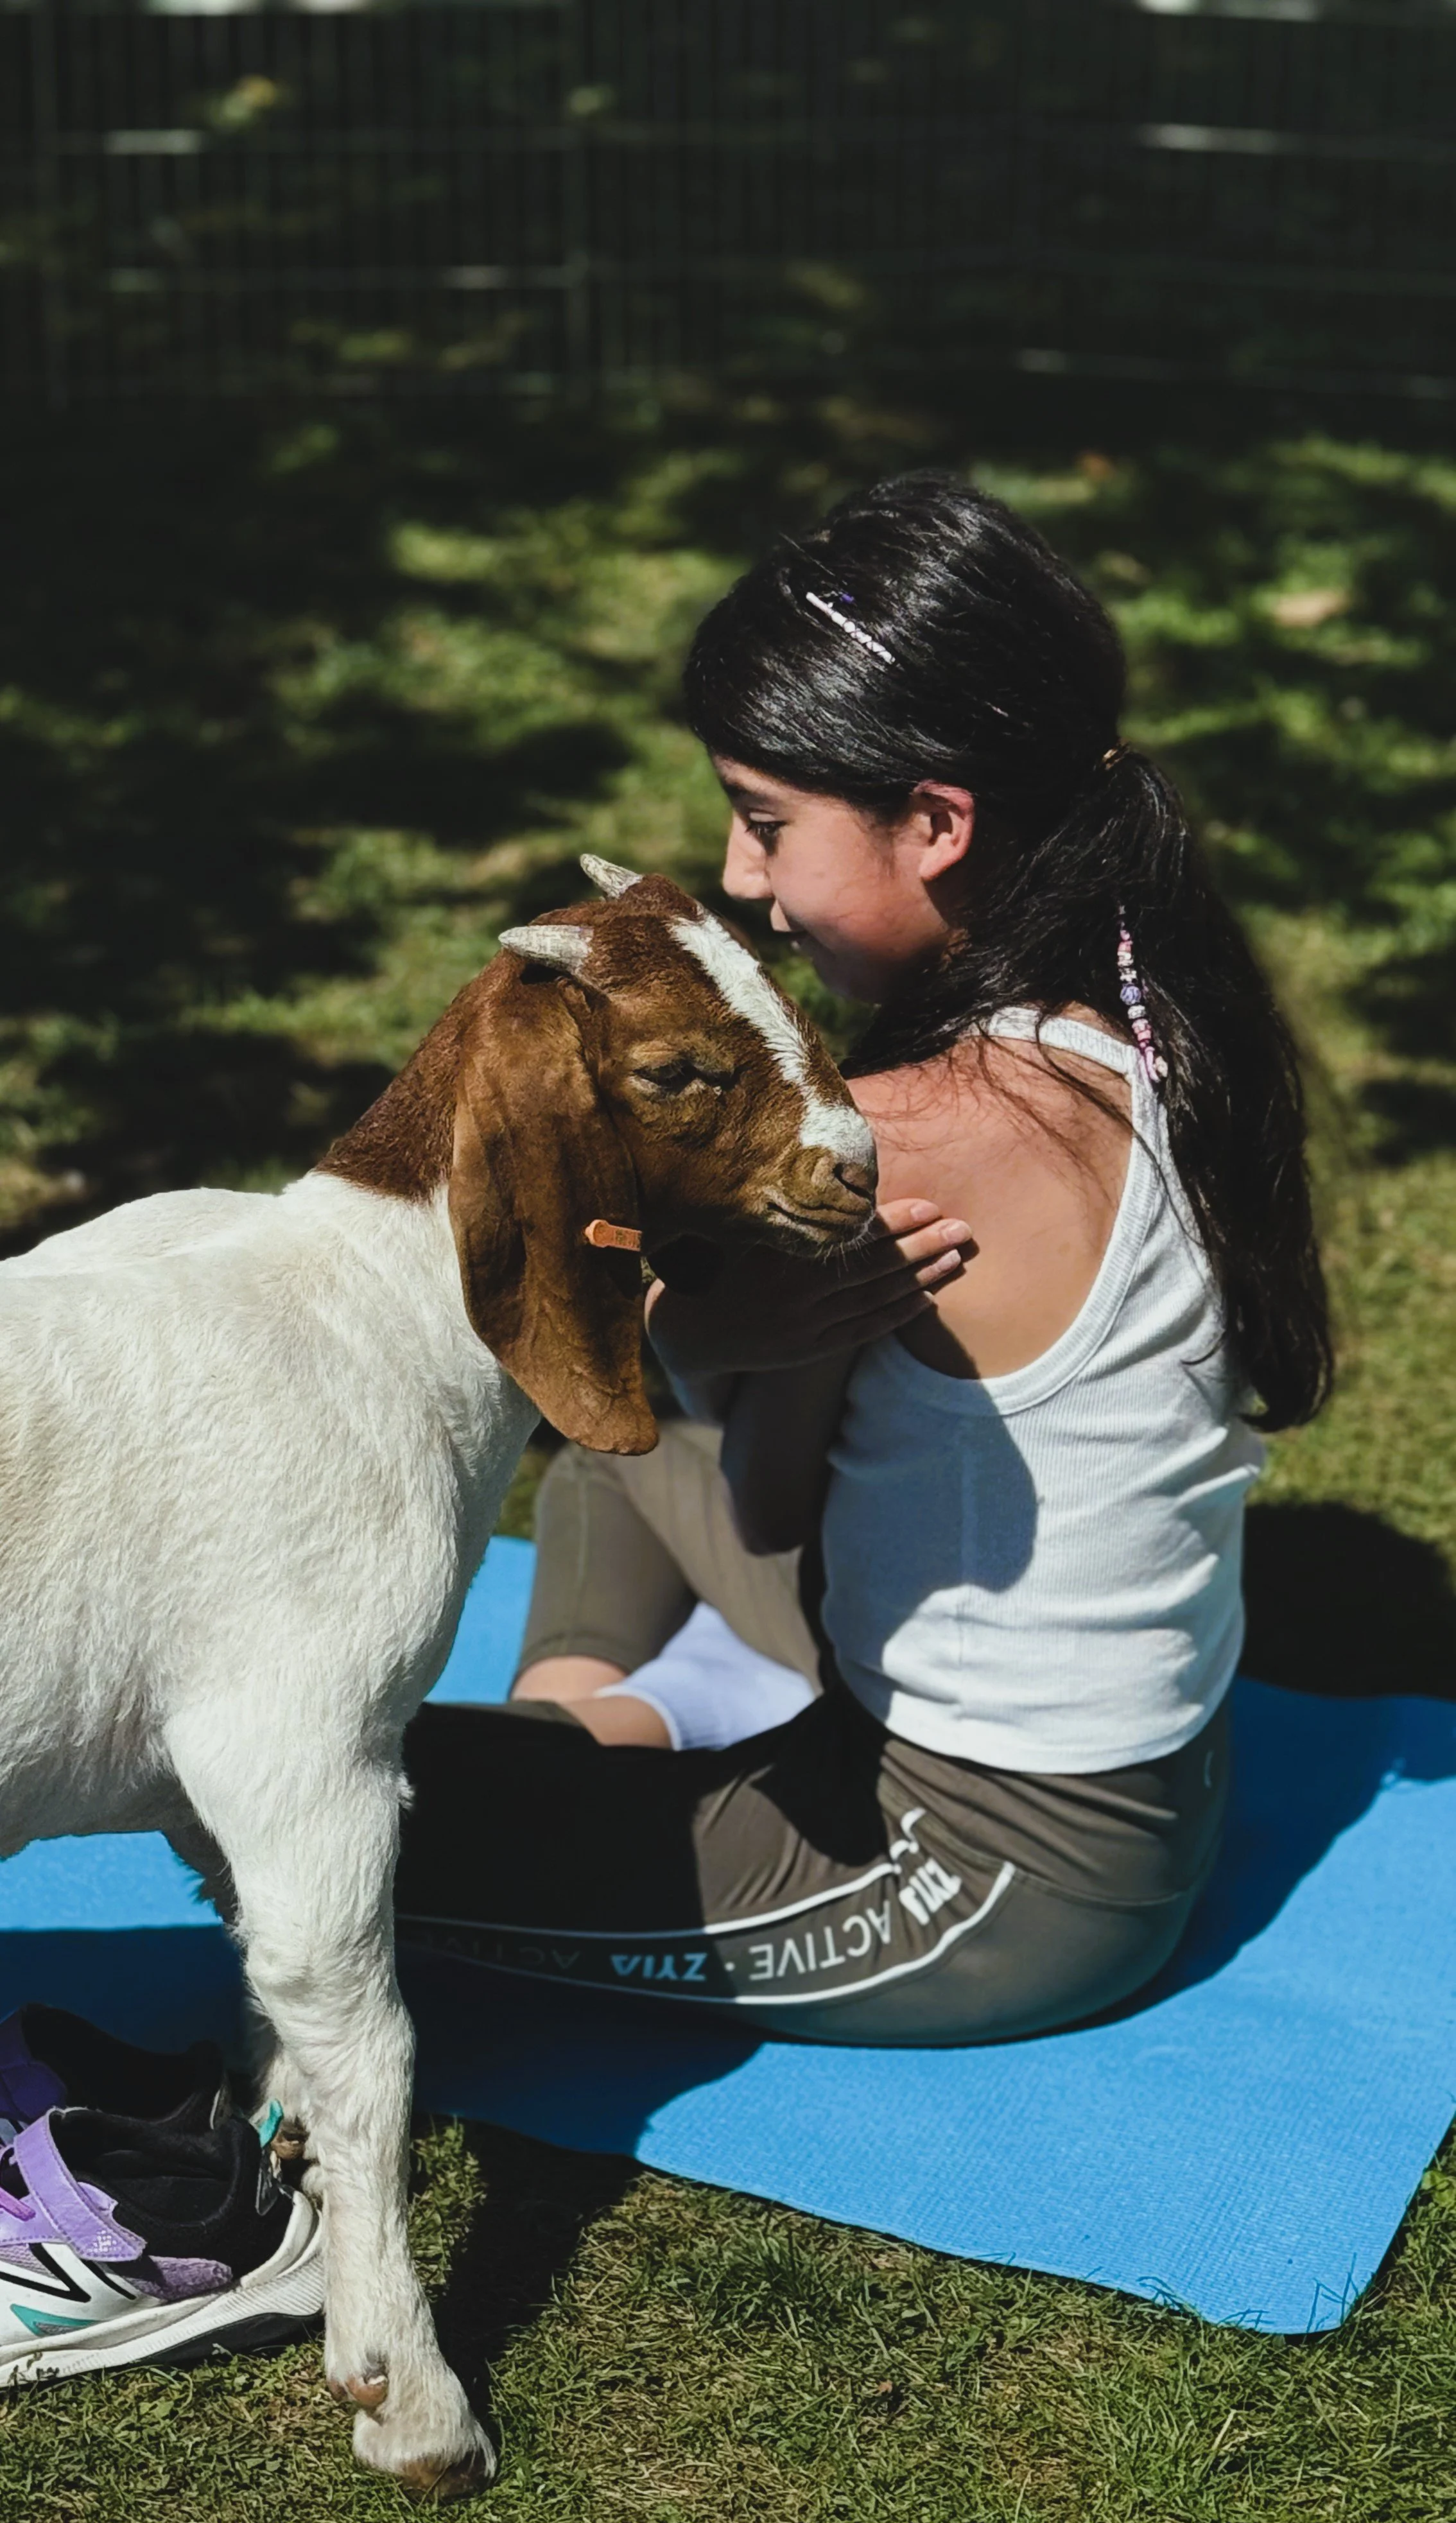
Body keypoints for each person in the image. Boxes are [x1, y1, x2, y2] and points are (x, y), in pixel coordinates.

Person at [394, 469, 1331, 2047]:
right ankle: (604, 1714)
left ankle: (605, 1733)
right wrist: (757, 1338)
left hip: (986, 1877)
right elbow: (759, 1488)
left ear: (940, 824)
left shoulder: (921, 1126)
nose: (741, 882)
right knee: (628, 1465)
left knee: (328, 1813)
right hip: (1065, 1763)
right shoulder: (1137, 986)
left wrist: (718, 1320)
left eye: (765, 824)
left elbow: (589, 1329)